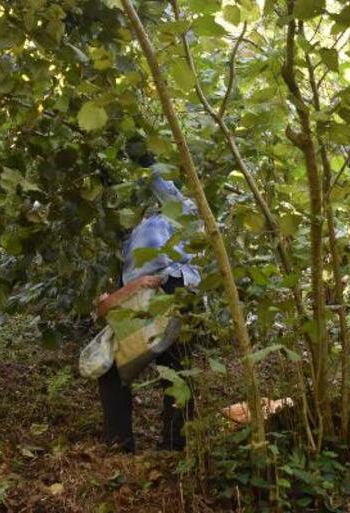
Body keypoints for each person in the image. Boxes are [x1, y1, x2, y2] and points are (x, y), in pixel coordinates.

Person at [97, 161, 201, 453]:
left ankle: (175, 443)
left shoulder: (178, 211)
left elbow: (160, 183)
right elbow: (127, 275)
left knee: (177, 366)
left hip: (174, 287)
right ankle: (120, 443)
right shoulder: (130, 235)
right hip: (141, 297)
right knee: (113, 368)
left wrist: (143, 155)